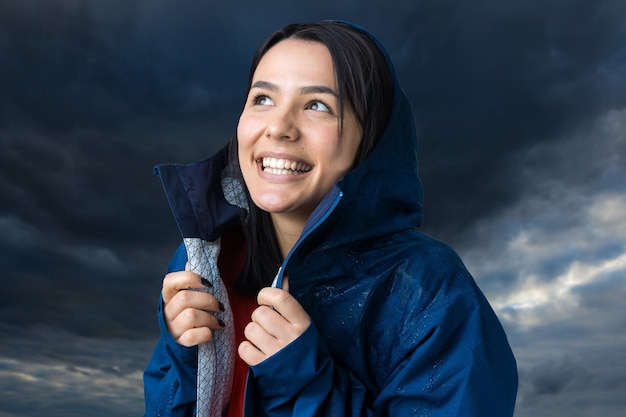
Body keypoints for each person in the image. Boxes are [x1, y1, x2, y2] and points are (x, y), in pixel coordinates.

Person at [143, 21, 518, 417]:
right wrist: (184, 357)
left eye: (317, 105)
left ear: (371, 138)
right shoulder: (203, 262)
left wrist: (307, 384)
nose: (279, 128)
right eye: (263, 99)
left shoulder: (430, 290)